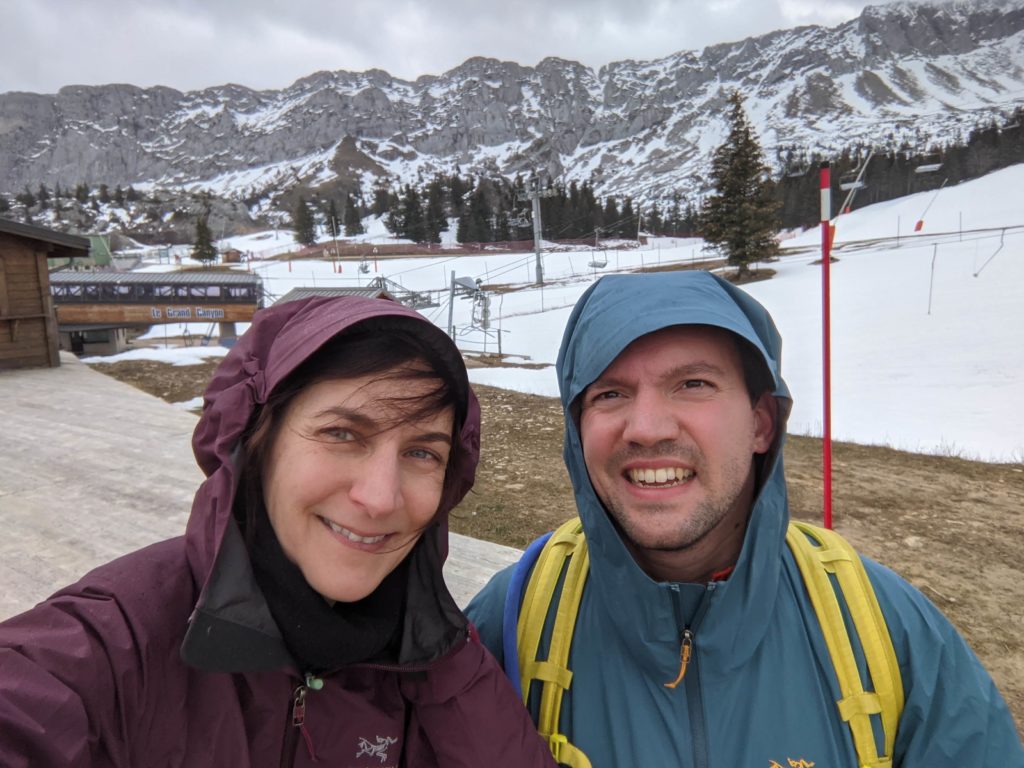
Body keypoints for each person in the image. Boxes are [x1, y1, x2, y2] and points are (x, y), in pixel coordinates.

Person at [466, 271, 1023, 767]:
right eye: (610, 393)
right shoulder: (512, 622)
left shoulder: (886, 631)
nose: (647, 427)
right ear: (577, 432)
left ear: (761, 424)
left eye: (693, 384)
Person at [0, 296, 556, 768]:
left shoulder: (446, 663)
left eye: (420, 452)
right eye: (342, 433)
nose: (381, 497)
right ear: (256, 442)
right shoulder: (114, 642)